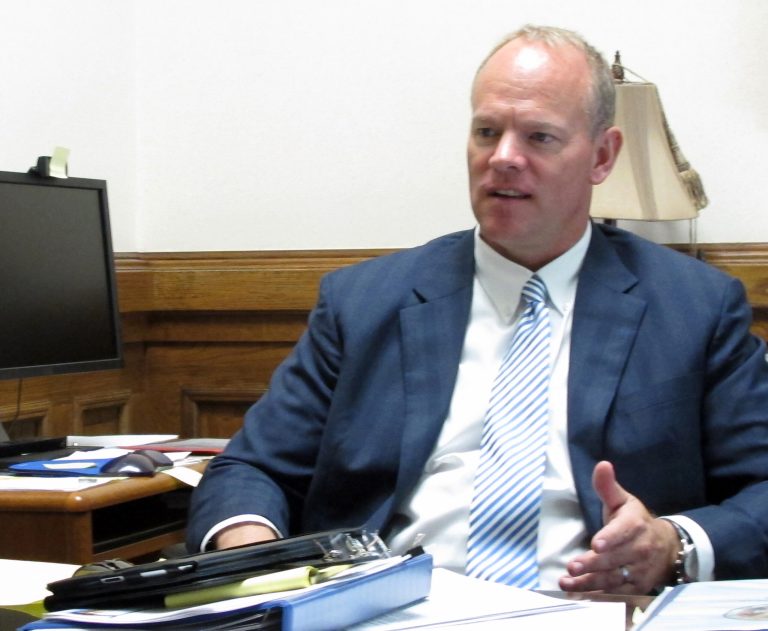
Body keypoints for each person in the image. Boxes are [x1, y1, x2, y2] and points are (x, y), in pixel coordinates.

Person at [187, 25, 768, 595]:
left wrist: (674, 543)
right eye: (487, 131)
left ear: (602, 156)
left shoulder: (694, 309)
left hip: (594, 609)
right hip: (386, 608)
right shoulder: (364, 303)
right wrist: (258, 558)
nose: (503, 158)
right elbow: (251, 469)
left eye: (539, 137)